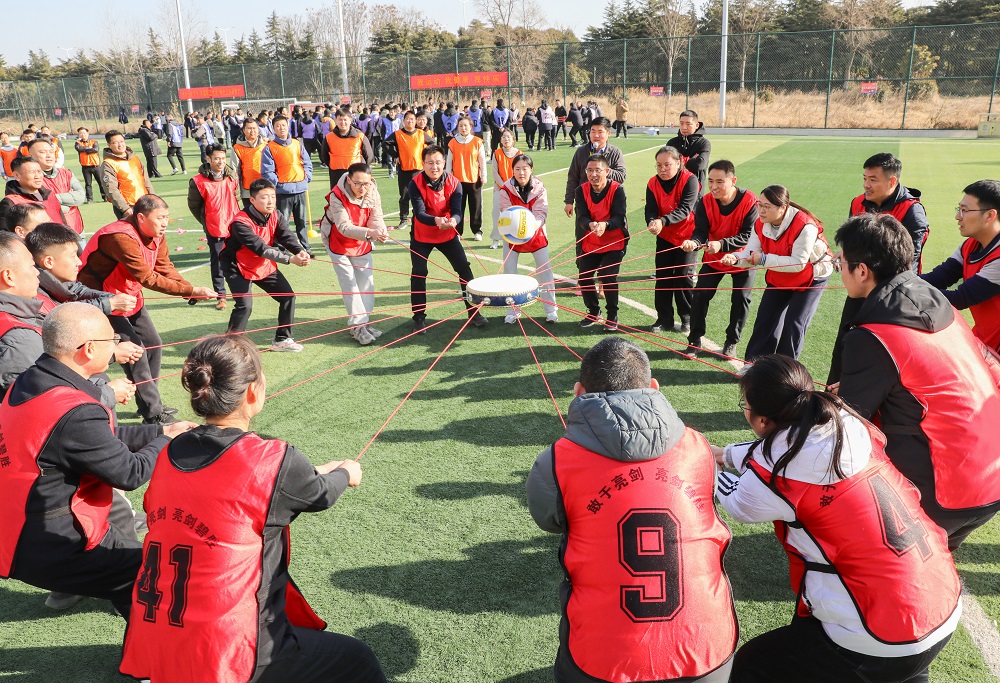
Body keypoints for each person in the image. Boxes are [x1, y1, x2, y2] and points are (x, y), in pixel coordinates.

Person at [118, 334, 386, 683]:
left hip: (156, 631)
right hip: (227, 646)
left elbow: (234, 487)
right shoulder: (271, 458)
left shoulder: (169, 451)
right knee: (359, 660)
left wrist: (321, 471)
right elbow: (318, 494)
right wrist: (345, 473)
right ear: (252, 393)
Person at [716, 354, 961, 683]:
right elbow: (789, 450)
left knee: (751, 666)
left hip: (880, 633)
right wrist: (727, 454)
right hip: (939, 602)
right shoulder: (850, 425)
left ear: (761, 420)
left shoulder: (775, 478)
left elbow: (740, 501)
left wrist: (706, 461)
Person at [526, 336, 738, 683]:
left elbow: (548, 520)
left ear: (578, 392)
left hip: (602, 662)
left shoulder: (555, 461)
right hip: (708, 653)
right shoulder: (698, 446)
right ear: (653, 387)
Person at [0, 302, 194, 622]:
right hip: (51, 541)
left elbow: (97, 439)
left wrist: (161, 431)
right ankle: (148, 647)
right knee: (151, 573)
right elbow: (130, 473)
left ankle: (100, 597)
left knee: (131, 566)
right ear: (88, 349)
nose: (117, 344)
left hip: (18, 527)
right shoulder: (74, 409)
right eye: (112, 339)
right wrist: (167, 441)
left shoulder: (32, 379)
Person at [833, 212, 1000, 550]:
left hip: (942, 492)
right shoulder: (937, 301)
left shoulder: (873, 336)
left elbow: (847, 422)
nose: (840, 270)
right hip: (990, 480)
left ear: (862, 271)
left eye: (842, 263)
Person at [79, 195, 215, 424]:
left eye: (167, 217)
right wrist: (190, 290)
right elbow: (147, 277)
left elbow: (163, 266)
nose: (165, 223)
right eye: (160, 218)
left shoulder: (156, 234)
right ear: (141, 217)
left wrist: (190, 290)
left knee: (154, 344)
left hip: (128, 295)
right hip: (102, 298)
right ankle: (153, 414)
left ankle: (150, 404)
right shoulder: (120, 237)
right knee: (136, 352)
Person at [827, 152, 931, 384]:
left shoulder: (912, 211)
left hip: (893, 298)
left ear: (892, 181)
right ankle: (830, 397)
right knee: (844, 344)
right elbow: (852, 242)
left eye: (873, 180)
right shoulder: (857, 202)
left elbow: (908, 261)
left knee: (882, 353)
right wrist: (846, 253)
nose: (866, 185)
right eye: (865, 178)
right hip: (860, 288)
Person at [721, 185, 831, 362]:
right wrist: (735, 258)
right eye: (759, 204)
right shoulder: (760, 223)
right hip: (780, 275)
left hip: (811, 277)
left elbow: (798, 263)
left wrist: (763, 259)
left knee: (794, 323)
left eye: (767, 206)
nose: (761, 210)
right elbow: (751, 252)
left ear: (783, 208)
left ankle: (783, 371)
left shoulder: (805, 226)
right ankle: (755, 365)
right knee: (765, 318)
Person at [221, 179, 310, 352]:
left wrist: (299, 250)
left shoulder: (276, 214)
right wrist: (290, 259)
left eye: (273, 196)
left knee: (287, 297)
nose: (270, 201)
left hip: (262, 264)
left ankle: (282, 340)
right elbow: (260, 248)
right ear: (252, 200)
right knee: (244, 306)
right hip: (236, 266)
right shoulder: (240, 223)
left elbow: (286, 236)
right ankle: (230, 348)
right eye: (264, 197)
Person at [407, 145, 488, 334]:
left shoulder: (454, 182)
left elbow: (458, 211)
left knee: (464, 269)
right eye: (429, 163)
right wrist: (436, 220)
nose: (434, 167)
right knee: (419, 272)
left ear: (444, 163)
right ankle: (418, 318)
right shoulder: (415, 183)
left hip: (447, 233)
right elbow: (419, 213)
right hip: (422, 235)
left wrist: (454, 220)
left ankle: (474, 313)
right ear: (423, 164)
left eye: (437, 162)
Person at [681, 160, 757, 358]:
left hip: (742, 259)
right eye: (711, 181)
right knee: (700, 296)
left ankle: (731, 342)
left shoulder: (750, 200)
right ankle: (694, 340)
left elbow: (748, 235)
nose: (713, 186)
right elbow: (700, 231)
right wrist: (694, 242)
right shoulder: (705, 201)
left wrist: (722, 244)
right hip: (714, 257)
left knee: (741, 299)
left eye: (720, 181)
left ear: (733, 180)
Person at [922, 179, 1000, 352]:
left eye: (965, 210)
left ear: (990, 215)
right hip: (985, 341)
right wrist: (897, 281)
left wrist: (905, 290)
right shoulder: (970, 245)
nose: (958, 216)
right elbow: (938, 278)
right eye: (959, 209)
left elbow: (959, 298)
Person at [320, 163, 389, 346]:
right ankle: (357, 326)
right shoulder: (337, 195)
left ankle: (364, 322)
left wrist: (380, 231)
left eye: (366, 183)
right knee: (349, 283)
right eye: (357, 183)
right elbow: (344, 227)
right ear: (349, 180)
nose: (362, 188)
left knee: (366, 282)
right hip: (338, 242)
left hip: (362, 243)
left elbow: (376, 217)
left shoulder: (372, 190)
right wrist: (370, 233)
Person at [27, 222, 138, 318]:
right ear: (49, 262)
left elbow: (78, 290)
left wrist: (110, 297)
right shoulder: (33, 293)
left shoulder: (54, 277)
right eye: (72, 256)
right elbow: (61, 315)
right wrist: (110, 304)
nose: (79, 262)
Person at [497, 154, 558, 324]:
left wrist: (531, 227)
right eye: (517, 169)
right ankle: (512, 311)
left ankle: (551, 310)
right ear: (513, 171)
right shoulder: (505, 189)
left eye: (525, 169)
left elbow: (541, 213)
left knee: (545, 272)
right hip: (512, 235)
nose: (521, 172)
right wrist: (517, 229)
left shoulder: (540, 188)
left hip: (536, 234)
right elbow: (506, 211)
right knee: (510, 273)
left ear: (531, 169)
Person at [645, 146, 699, 335]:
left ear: (678, 163)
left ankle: (688, 318)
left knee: (683, 276)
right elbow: (650, 208)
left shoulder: (690, 180)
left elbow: (685, 209)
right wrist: (652, 221)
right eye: (659, 165)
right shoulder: (653, 182)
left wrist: (662, 221)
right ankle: (664, 319)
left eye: (667, 165)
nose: (662, 169)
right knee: (663, 277)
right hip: (665, 235)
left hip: (687, 236)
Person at [575, 154, 628, 330]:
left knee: (607, 275)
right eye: (589, 170)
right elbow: (581, 216)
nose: (593, 174)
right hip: (591, 240)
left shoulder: (617, 189)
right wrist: (589, 225)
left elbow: (619, 217)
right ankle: (593, 311)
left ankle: (612, 315)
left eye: (597, 170)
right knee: (584, 277)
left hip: (614, 241)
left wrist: (605, 225)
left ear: (607, 171)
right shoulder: (581, 190)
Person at [188, 144, 241, 311]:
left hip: (234, 226)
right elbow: (194, 206)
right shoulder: (198, 181)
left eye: (223, 158)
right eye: (217, 158)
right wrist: (206, 221)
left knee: (238, 260)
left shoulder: (232, 176)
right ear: (208, 159)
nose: (221, 162)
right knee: (217, 263)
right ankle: (221, 295)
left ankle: (240, 293)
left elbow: (237, 197)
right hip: (214, 228)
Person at [261, 114, 314, 258]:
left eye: (283, 125)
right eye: (278, 126)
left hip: (300, 189)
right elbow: (267, 171)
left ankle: (305, 247)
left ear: (288, 126)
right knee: (282, 222)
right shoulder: (270, 148)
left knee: (301, 221)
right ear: (273, 128)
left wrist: (306, 178)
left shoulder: (297, 144)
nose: (281, 128)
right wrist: (279, 183)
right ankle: (281, 249)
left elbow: (307, 163)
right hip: (283, 192)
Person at [563, 117, 626, 219]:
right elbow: (573, 177)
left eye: (600, 132)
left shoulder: (615, 152)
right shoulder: (581, 152)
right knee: (584, 227)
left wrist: (602, 169)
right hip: (584, 202)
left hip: (608, 202)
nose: (596, 135)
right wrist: (569, 201)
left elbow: (621, 176)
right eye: (593, 131)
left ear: (608, 133)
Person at [29, 137, 85, 236]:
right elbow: (40, 206)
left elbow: (80, 197)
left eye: (51, 151)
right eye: (42, 152)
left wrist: (52, 198)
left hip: (76, 229)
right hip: (50, 235)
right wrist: (69, 201)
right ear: (31, 156)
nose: (49, 155)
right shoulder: (31, 178)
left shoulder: (66, 173)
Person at [384, 111, 427, 231]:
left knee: (418, 196)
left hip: (418, 170)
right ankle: (403, 219)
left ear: (415, 121)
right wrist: (396, 155)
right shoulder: (398, 134)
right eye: (407, 119)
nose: (410, 121)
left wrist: (425, 156)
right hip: (404, 169)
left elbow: (432, 143)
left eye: (412, 119)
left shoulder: (421, 133)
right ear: (403, 121)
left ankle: (417, 217)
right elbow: (385, 144)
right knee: (404, 196)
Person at [446, 117, 487, 240]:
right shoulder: (452, 143)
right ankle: (457, 232)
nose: (463, 128)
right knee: (458, 207)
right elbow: (449, 163)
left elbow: (482, 161)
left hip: (474, 180)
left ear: (470, 127)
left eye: (465, 125)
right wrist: (447, 178)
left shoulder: (477, 142)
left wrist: (483, 176)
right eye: (460, 126)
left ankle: (477, 231)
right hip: (457, 181)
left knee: (476, 206)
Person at [99, 130, 153, 220]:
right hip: (128, 207)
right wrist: (125, 208)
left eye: (122, 141)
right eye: (115, 143)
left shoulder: (134, 158)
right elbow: (111, 189)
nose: (120, 145)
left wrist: (153, 198)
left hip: (145, 203)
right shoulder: (108, 164)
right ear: (109, 145)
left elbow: (146, 180)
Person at [1, 157, 66, 230]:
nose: (37, 176)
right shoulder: (11, 202)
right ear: (17, 175)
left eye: (39, 171)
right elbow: (5, 234)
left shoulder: (50, 195)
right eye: (32, 172)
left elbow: (63, 223)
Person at [320, 107, 374, 189]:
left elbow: (368, 155)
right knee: (338, 196)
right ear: (335, 120)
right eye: (340, 120)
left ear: (350, 120)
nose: (343, 122)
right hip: (336, 173)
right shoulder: (329, 137)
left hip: (355, 173)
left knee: (355, 195)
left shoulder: (360, 136)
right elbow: (325, 156)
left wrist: (361, 169)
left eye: (345, 120)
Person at [489, 130, 521, 249]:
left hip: (515, 189)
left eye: (508, 137)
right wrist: (504, 186)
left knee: (514, 214)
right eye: (504, 137)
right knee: (497, 214)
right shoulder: (497, 153)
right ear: (500, 140)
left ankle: (512, 239)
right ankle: (496, 239)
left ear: (513, 139)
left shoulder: (519, 154)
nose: (506, 139)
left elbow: (521, 171)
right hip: (500, 188)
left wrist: (513, 186)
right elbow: (494, 172)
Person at [666, 110, 711, 190]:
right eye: (681, 123)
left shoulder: (703, 143)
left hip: (695, 189)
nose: (684, 127)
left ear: (697, 125)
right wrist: (690, 160)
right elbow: (667, 165)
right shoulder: (672, 143)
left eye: (688, 124)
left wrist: (678, 161)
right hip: (674, 188)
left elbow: (700, 165)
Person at [231, 118, 267, 210]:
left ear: (258, 129)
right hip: (247, 190)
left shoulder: (266, 146)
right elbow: (234, 170)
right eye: (249, 128)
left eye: (254, 128)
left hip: (264, 187)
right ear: (244, 130)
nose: (252, 131)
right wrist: (236, 189)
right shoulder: (237, 148)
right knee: (250, 215)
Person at [74, 127, 105, 203]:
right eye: (81, 133)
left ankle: (105, 197)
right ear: (79, 135)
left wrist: (85, 149)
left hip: (96, 166)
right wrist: (89, 148)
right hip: (85, 167)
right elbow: (79, 149)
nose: (83, 134)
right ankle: (90, 199)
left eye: (84, 133)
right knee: (88, 184)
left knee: (101, 182)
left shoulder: (94, 141)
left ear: (88, 133)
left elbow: (96, 149)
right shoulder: (78, 143)